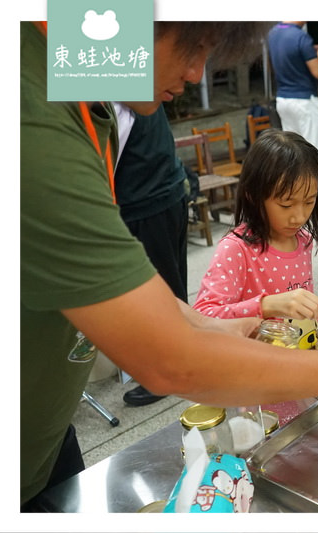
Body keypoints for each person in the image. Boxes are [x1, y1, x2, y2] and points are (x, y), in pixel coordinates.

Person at [20, 21, 318, 510]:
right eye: (192, 45)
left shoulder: (86, 100)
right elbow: (166, 359)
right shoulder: (33, 118)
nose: (198, 71)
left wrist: (211, 325)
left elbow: (137, 296)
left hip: (46, 439)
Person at [193, 129, 318, 323]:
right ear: (253, 195)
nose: (299, 217)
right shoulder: (236, 249)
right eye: (286, 205)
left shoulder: (302, 239)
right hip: (256, 352)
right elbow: (204, 315)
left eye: (309, 202)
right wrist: (267, 305)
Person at [112, 103, 191, 407]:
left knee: (158, 291)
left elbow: (106, 158)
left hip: (147, 200)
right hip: (167, 192)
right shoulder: (134, 83)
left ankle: (167, 371)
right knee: (171, 285)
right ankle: (177, 359)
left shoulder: (114, 84)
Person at [267, 21, 318, 212]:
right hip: (305, 100)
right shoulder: (301, 38)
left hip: (283, 98)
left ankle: (298, 194)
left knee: (293, 152)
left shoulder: (273, 33)